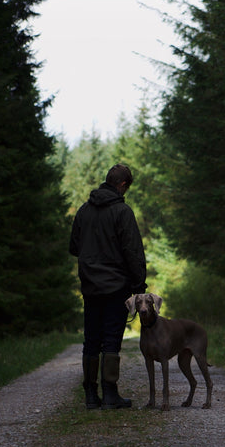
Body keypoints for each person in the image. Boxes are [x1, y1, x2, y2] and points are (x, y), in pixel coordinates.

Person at [69, 164, 147, 410]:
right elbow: (133, 252)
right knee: (111, 340)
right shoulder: (122, 212)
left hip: (91, 287)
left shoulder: (84, 211)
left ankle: (91, 395)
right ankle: (111, 395)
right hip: (116, 287)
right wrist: (139, 285)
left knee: (91, 340)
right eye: (127, 188)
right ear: (123, 185)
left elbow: (74, 247)